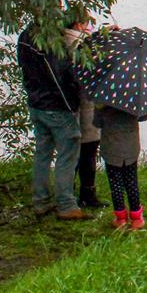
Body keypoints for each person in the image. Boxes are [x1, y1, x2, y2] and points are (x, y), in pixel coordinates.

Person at [17, 21, 87, 220]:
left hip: (36, 103)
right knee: (68, 153)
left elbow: (23, 67)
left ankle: (41, 201)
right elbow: (60, 75)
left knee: (43, 153)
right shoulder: (51, 41)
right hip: (57, 106)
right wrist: (73, 101)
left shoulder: (25, 36)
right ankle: (66, 205)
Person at [62, 22, 103, 209]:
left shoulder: (61, 41)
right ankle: (86, 194)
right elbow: (94, 67)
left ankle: (70, 193)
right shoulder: (78, 43)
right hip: (85, 107)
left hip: (72, 108)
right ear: (78, 23)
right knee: (87, 152)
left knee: (75, 154)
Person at [93, 104, 146, 229]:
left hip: (111, 150)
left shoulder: (103, 104)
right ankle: (136, 217)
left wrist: (98, 108)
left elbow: (96, 123)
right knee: (132, 183)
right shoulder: (134, 102)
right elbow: (143, 117)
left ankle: (120, 218)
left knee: (115, 185)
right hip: (130, 150)